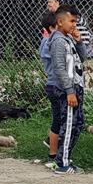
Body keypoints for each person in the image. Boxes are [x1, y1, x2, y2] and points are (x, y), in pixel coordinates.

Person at [49, 5, 88, 174]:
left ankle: (65, 157)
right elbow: (59, 68)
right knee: (69, 125)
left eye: (76, 21)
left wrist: (79, 41)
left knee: (78, 124)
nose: (74, 25)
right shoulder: (58, 41)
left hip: (75, 87)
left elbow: (84, 57)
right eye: (71, 21)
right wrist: (69, 91)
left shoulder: (68, 39)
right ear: (60, 21)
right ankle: (62, 163)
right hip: (67, 90)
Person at [38, 10, 60, 168]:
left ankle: (55, 151)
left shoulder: (51, 40)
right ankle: (53, 154)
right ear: (53, 27)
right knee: (58, 120)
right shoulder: (49, 42)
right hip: (55, 84)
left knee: (59, 119)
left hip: (55, 83)